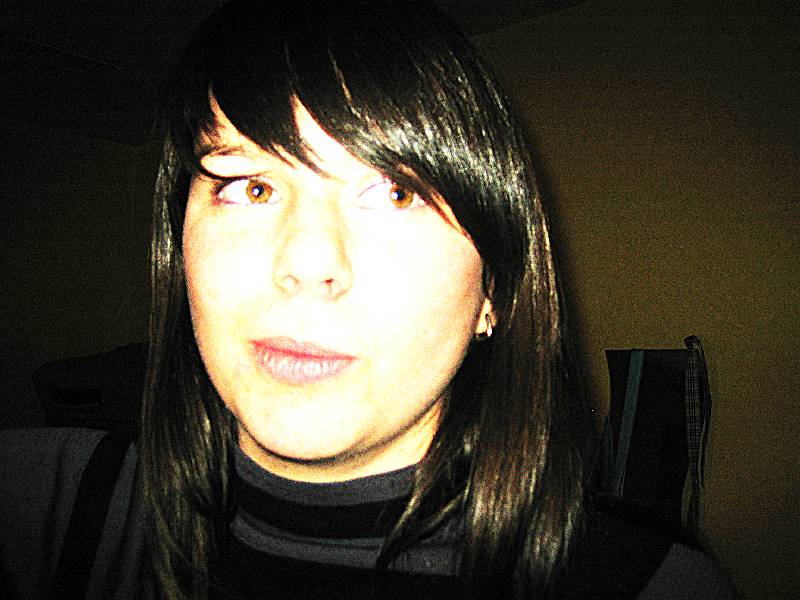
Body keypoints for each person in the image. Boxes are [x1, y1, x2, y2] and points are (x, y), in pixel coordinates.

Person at [0, 1, 738, 599]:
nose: (307, 263)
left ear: (495, 293)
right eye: (251, 187)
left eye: (395, 193)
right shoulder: (46, 506)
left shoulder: (652, 586)